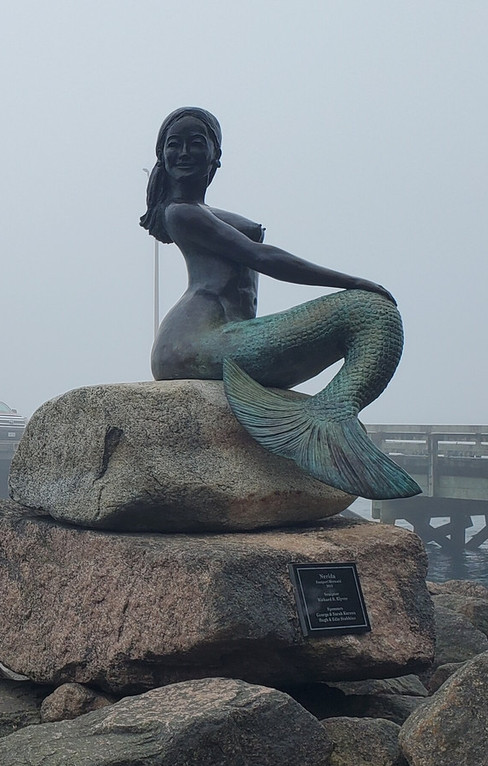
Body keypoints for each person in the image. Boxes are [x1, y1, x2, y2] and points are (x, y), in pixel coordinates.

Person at [140, 107, 419, 500]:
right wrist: (352, 281)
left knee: (374, 316)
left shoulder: (205, 213)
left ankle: (329, 413)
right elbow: (263, 258)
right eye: (174, 144)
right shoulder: (181, 213)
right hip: (196, 340)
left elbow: (247, 234)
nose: (183, 152)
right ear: (162, 157)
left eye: (195, 142)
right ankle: (326, 419)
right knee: (368, 310)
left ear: (215, 155)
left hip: (220, 337)